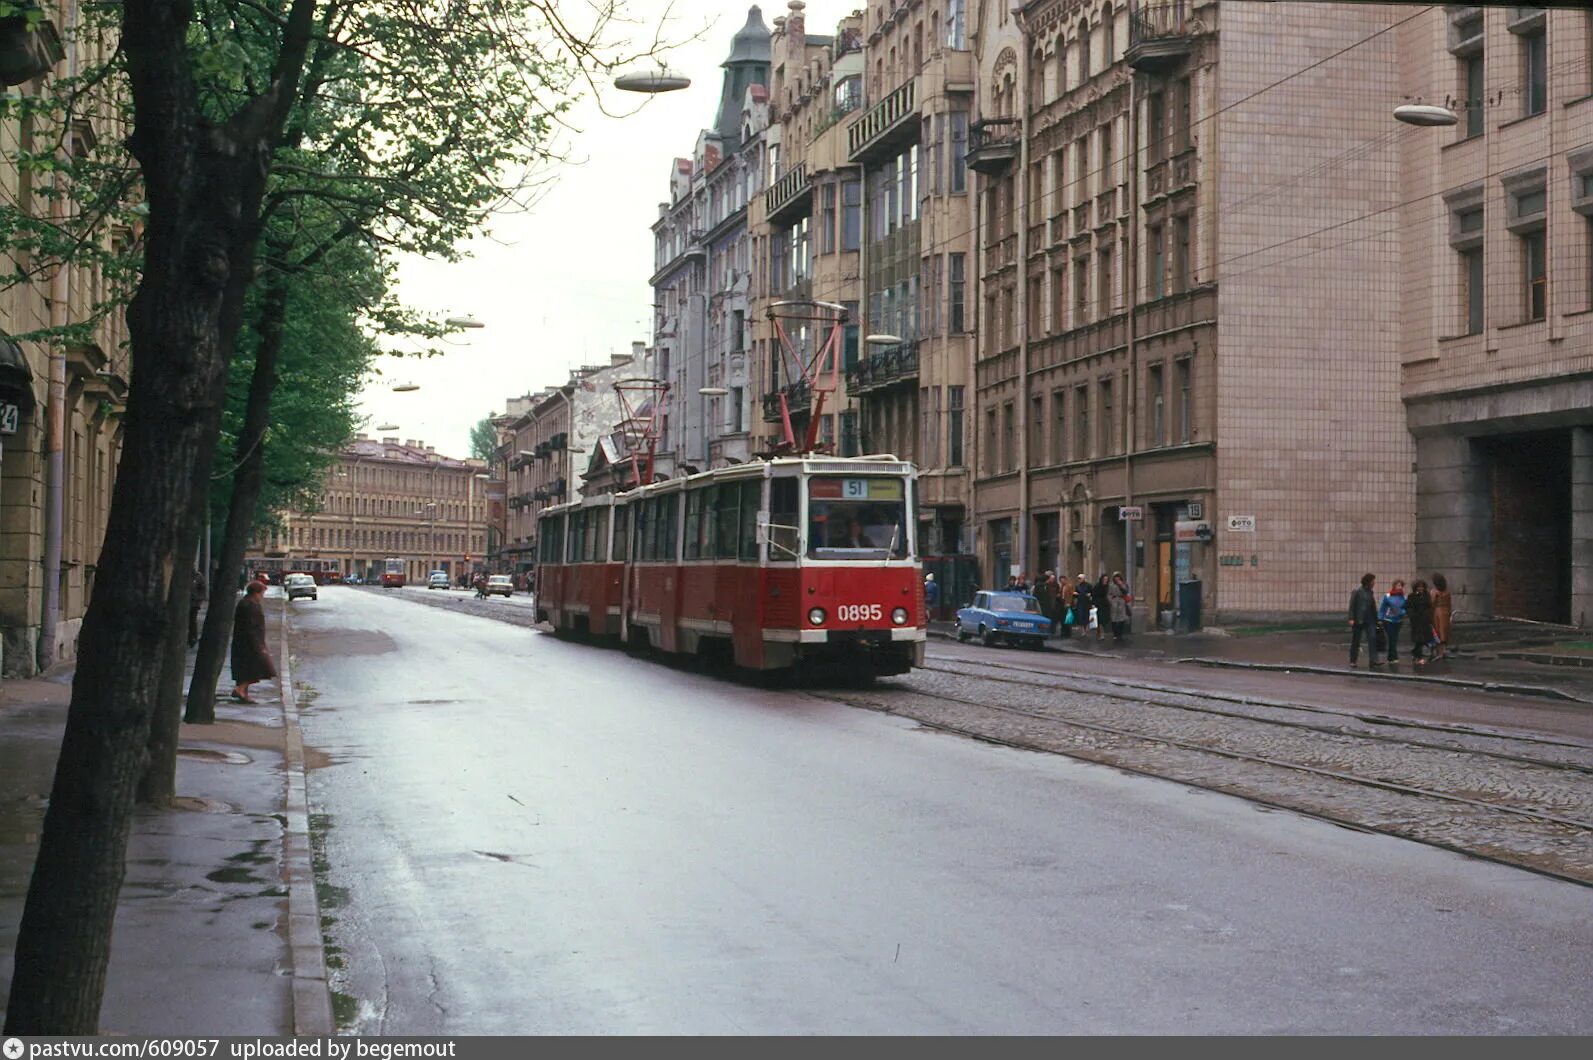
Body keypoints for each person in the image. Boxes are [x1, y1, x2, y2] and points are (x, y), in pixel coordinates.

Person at [230, 580, 276, 704]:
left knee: (247, 669)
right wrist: (259, 645)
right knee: (260, 668)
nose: (262, 596)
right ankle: (240, 689)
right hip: (250, 643)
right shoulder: (252, 605)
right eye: (262, 593)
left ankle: (243, 693)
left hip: (244, 642)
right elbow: (252, 627)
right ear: (256, 593)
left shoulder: (246, 602)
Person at [1347, 573, 1379, 668]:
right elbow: (1352, 606)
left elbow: (1373, 606)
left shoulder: (1370, 592)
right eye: (1373, 581)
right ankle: (1353, 660)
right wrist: (1351, 618)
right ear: (1368, 582)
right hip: (1359, 619)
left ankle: (1373, 660)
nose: (1374, 583)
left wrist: (1376, 618)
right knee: (1356, 641)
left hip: (1370, 619)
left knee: (1372, 639)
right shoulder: (1357, 591)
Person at [1378, 578, 1408, 666]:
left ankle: (1391, 657)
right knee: (1391, 637)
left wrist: (1402, 612)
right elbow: (1382, 608)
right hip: (1388, 620)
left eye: (1401, 586)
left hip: (1398, 620)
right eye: (1398, 585)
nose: (1399, 587)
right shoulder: (1388, 596)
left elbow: (1405, 608)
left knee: (1394, 638)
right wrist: (1380, 618)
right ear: (1394, 586)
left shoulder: (1404, 597)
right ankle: (1393, 657)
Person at [1406, 579, 1434, 668]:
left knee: (1423, 639)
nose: (1420, 588)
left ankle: (1416, 653)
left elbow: (1429, 606)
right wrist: (1412, 616)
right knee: (1419, 639)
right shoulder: (1412, 596)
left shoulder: (1426, 595)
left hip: (1425, 621)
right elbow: (1409, 607)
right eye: (1419, 587)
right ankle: (1419, 657)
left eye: (1422, 587)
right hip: (1416, 621)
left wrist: (1428, 616)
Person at [1430, 572, 1453, 661]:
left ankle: (1438, 652)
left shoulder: (1434, 592)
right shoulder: (1447, 592)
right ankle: (1443, 651)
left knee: (1437, 632)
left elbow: (1432, 603)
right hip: (1446, 612)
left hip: (1437, 613)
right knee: (1444, 632)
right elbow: (1449, 604)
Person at [1107, 571, 1132, 642]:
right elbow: (1108, 594)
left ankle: (1120, 634)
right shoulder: (1111, 585)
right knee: (1114, 618)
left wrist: (1121, 585)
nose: (1117, 578)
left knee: (1122, 618)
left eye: (1118, 577)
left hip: (1121, 601)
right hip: (1114, 601)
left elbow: (1126, 591)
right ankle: (1115, 634)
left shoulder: (1123, 584)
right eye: (1115, 577)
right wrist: (1110, 601)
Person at [188, 565, 208, 648]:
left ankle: (192, 638)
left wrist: (197, 597)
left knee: (192, 621)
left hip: (194, 604)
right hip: (188, 602)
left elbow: (203, 589)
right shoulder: (185, 576)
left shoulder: (198, 577)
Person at [1034, 571, 1059, 636]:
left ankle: (1047, 630)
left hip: (1047, 605)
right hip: (1041, 604)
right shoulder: (1039, 585)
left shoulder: (1047, 585)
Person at [1058, 574, 1076, 639]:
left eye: (1063, 580)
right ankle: (1063, 632)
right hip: (1062, 603)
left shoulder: (1069, 586)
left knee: (1068, 619)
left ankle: (1068, 633)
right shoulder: (1061, 587)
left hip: (1067, 603)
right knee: (1062, 619)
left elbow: (1071, 595)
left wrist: (1069, 603)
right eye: (1060, 580)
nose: (1062, 581)